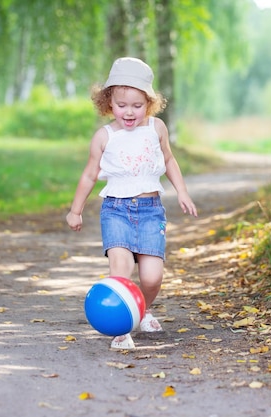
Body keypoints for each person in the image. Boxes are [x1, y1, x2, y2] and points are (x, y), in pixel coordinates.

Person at [66, 57, 198, 349]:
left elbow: (168, 160)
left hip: (151, 212)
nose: (129, 112)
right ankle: (121, 327)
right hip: (116, 211)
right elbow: (90, 175)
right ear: (108, 102)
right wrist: (75, 210)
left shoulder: (156, 128)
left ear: (149, 104)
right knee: (120, 269)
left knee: (152, 278)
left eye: (137, 106)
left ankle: (143, 308)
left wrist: (183, 192)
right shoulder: (105, 136)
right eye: (121, 105)